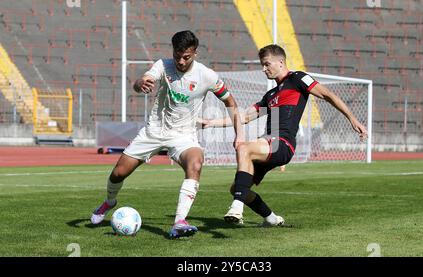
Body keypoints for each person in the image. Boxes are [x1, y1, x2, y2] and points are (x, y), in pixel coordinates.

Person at [90, 30, 243, 238]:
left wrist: (239, 134)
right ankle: (109, 202)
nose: (180, 61)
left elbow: (230, 102)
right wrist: (140, 83)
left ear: (195, 53)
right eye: (177, 55)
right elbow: (141, 81)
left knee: (196, 162)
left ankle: (179, 222)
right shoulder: (163, 65)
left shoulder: (206, 76)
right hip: (153, 132)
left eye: (186, 57)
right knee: (118, 173)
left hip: (183, 135)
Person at [201, 44, 367, 226]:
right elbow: (244, 117)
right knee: (238, 188)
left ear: (280, 62)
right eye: (262, 65)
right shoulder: (270, 95)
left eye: (266, 64)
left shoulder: (298, 78)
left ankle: (236, 209)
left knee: (244, 147)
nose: (264, 69)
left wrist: (352, 118)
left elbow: (328, 95)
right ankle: (271, 219)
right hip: (269, 144)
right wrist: (211, 123)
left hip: (282, 143)